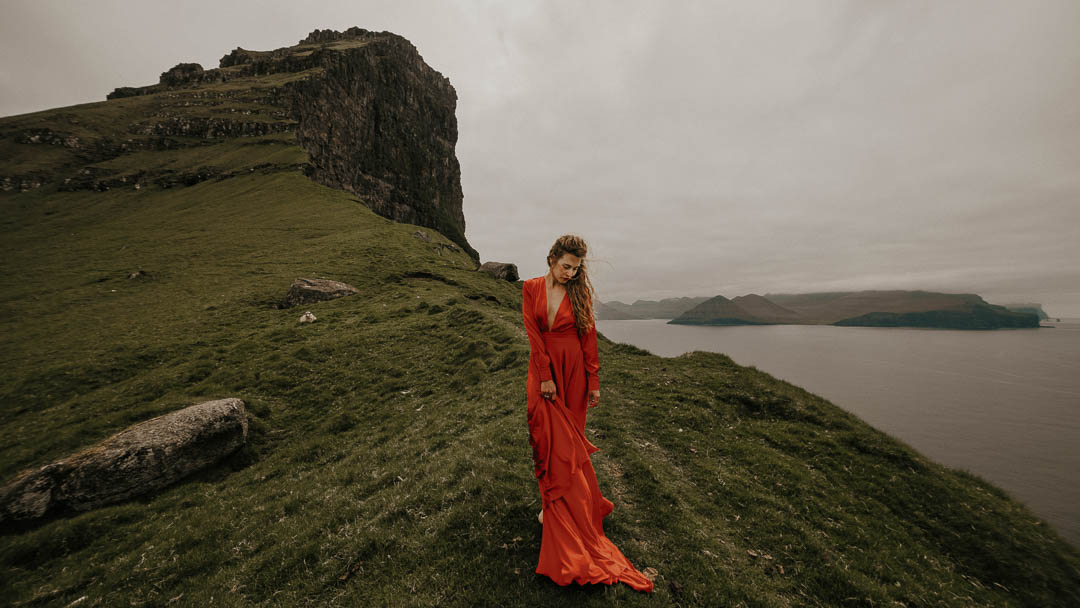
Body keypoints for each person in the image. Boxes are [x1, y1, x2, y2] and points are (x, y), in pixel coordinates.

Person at [522, 234, 654, 592]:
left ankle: (558, 511)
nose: (570, 273)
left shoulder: (579, 293)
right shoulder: (531, 288)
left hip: (574, 371)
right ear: (551, 259)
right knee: (543, 438)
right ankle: (552, 502)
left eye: (575, 268)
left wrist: (593, 380)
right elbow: (533, 334)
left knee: (568, 447)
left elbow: (588, 336)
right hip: (544, 368)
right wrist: (545, 377)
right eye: (566, 266)